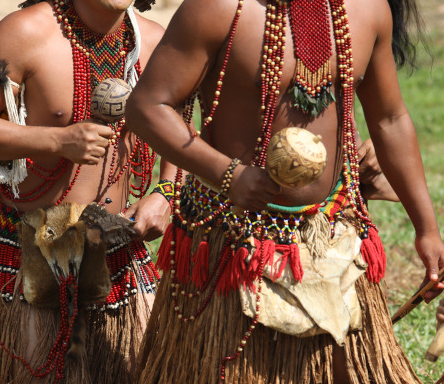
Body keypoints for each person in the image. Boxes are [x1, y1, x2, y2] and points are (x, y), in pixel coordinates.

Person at [126, 0, 444, 382]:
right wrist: (228, 174)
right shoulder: (217, 8)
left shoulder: (366, 8)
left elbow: (390, 118)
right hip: (231, 241)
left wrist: (426, 229)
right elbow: (148, 105)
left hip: (331, 230)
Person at [0, 0, 176, 383]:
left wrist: (164, 193)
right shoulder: (21, 32)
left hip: (117, 244)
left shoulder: (153, 41)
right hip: (27, 249)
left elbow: (182, 122)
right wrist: (57, 140)